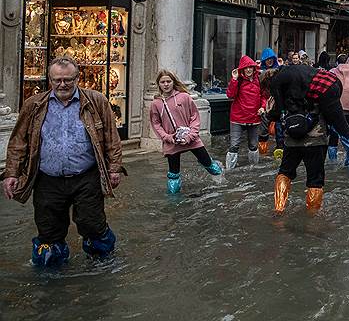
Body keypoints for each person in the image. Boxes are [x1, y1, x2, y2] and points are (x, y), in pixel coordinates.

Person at [1, 57, 123, 266]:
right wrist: (12, 173)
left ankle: (102, 263)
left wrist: (114, 169)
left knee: (92, 223)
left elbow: (112, 138)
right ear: (50, 79)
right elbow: (18, 141)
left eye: (68, 80)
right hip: (47, 179)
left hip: (86, 177)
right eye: (57, 80)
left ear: (77, 78)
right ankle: (51, 271)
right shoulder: (34, 104)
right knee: (48, 229)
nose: (62, 84)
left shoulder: (96, 101)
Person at [262, 65, 349, 212]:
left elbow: (276, 114)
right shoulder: (306, 82)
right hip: (316, 140)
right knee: (315, 180)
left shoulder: (286, 90)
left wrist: (269, 111)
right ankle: (313, 218)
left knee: (285, 173)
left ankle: (279, 210)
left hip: (293, 141)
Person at [150, 70, 222, 194]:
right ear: (159, 84)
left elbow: (194, 117)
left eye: (168, 81)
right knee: (173, 174)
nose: (166, 84)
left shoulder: (184, 97)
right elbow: (156, 124)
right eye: (163, 82)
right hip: (172, 142)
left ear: (173, 82)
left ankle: (221, 183)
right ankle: (174, 199)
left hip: (191, 139)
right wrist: (167, 137)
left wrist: (190, 136)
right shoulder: (156, 103)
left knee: (209, 164)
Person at [225, 55, 264, 170]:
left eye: (250, 67)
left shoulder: (259, 80)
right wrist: (234, 79)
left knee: (253, 145)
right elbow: (230, 95)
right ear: (242, 69)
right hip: (238, 118)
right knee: (234, 146)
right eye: (246, 68)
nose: (248, 70)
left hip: (254, 118)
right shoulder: (238, 81)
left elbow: (263, 96)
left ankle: (253, 168)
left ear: (253, 68)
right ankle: (229, 170)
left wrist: (262, 107)